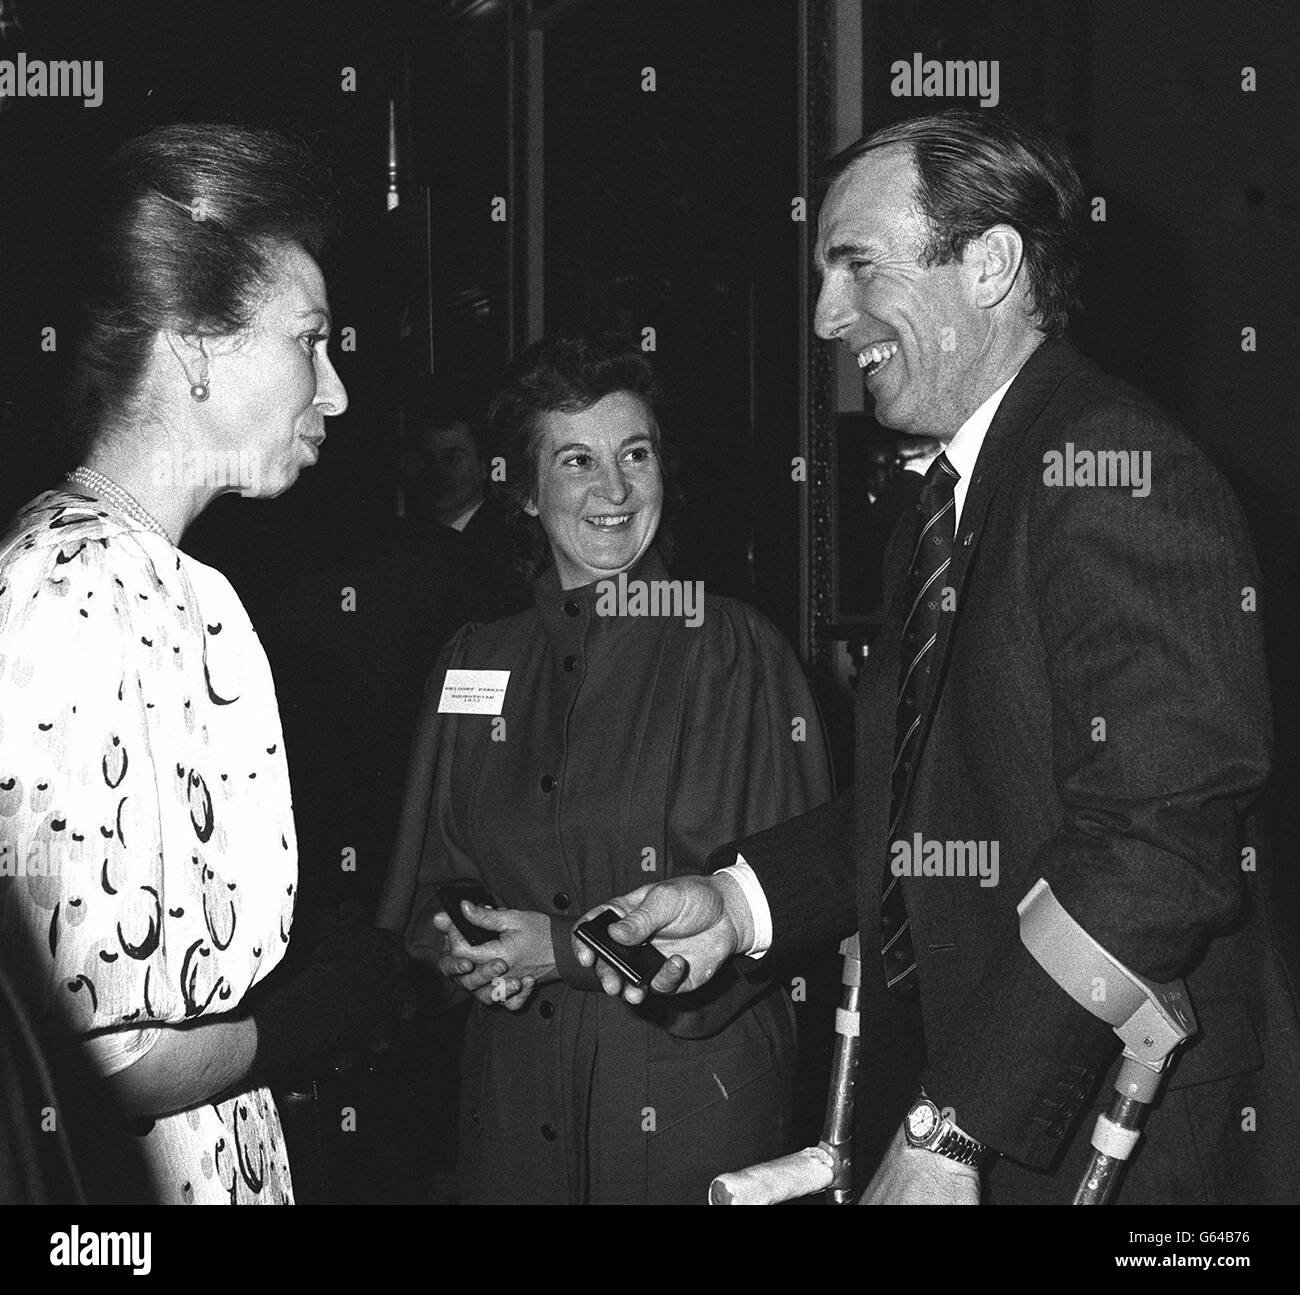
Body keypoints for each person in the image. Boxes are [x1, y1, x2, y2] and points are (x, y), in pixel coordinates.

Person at [576, 110, 1300, 1205]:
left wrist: (958, 1122)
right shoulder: (963, 490)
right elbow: (941, 802)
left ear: (991, 263)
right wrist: (739, 900)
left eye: (857, 265)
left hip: (1135, 1145)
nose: (826, 316)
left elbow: (1161, 841)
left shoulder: (1114, 467)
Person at [0, 123, 398, 1204]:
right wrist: (320, 1012)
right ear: (190, 350)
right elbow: (98, 1058)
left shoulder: (151, 579)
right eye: (308, 341)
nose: (337, 391)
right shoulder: (73, 596)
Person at [377, 331, 833, 1204]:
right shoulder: (475, 662)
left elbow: (781, 905)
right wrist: (465, 947)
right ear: (524, 490)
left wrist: (560, 950)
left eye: (636, 454)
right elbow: (435, 882)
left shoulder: (734, 649)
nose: (615, 489)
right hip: (511, 1109)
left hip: (684, 1101)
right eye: (578, 460)